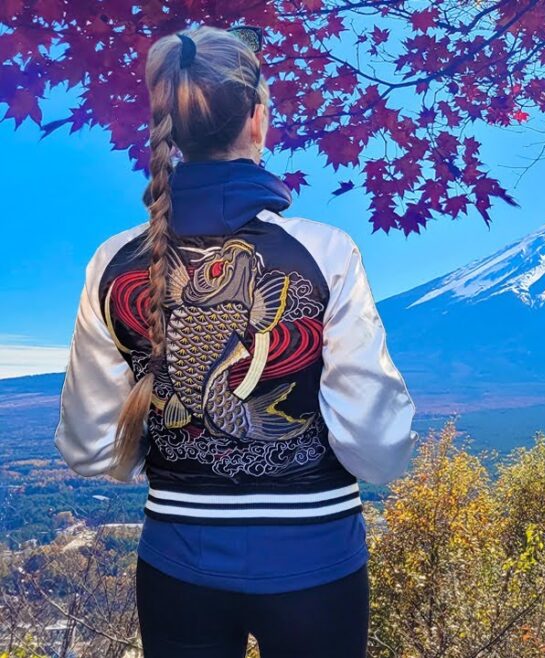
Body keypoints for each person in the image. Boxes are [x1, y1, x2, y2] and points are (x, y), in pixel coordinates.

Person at [53, 25, 418, 658]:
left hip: (175, 565)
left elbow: (90, 449)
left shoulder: (113, 262)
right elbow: (379, 447)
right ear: (257, 119)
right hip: (317, 567)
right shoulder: (325, 251)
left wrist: (178, 456)